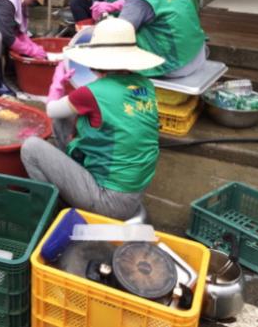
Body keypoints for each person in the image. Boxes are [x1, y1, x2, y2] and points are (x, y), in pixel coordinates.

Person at [20, 17, 164, 220]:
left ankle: (48, 213)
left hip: (108, 200)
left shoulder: (92, 92)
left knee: (31, 147)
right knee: (66, 117)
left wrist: (56, 83)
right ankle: (69, 179)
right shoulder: (146, 85)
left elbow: (51, 110)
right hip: (134, 192)